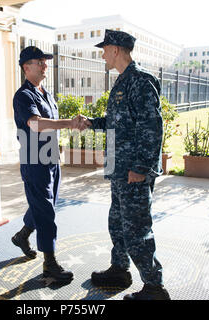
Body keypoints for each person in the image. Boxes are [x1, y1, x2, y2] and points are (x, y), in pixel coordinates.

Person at [80, 30, 170, 300]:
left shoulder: (141, 81)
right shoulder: (122, 82)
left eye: (104, 49)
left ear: (116, 49)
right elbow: (116, 122)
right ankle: (120, 270)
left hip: (133, 172)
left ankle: (154, 287)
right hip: (120, 169)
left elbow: (152, 128)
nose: (103, 54)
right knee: (118, 223)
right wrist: (91, 123)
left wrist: (141, 168)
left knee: (137, 231)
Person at [11, 46, 85, 284]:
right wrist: (69, 124)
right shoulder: (24, 95)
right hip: (35, 162)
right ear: (26, 67)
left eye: (45, 61)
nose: (45, 65)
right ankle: (49, 264)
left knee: (44, 205)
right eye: (39, 61)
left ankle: (22, 235)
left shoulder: (46, 93)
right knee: (46, 211)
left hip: (51, 159)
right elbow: (35, 124)